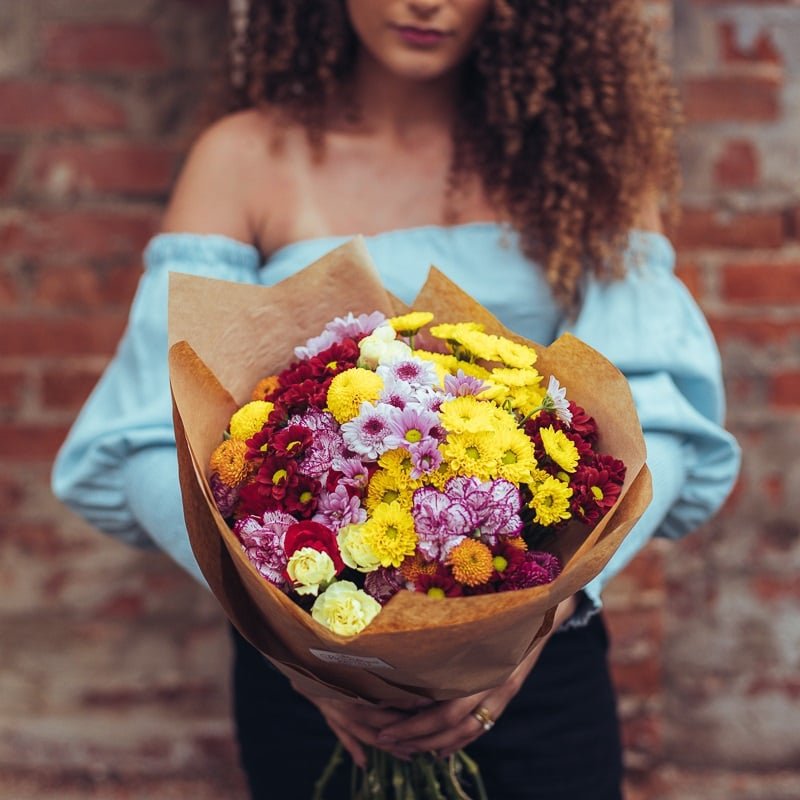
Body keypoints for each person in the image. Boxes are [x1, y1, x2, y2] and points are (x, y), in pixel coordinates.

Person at [52, 1, 741, 798]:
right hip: (308, 688)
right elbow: (147, 432)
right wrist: (303, 649)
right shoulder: (245, 157)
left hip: (536, 671)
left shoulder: (581, 160)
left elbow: (659, 416)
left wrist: (545, 615)